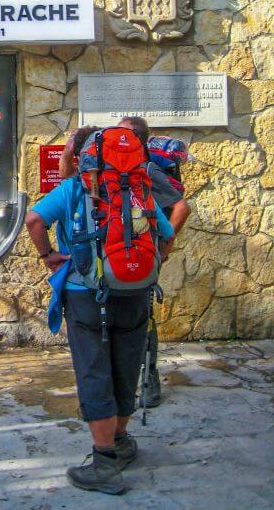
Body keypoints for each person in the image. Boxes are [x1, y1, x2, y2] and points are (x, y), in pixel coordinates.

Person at [26, 127, 175, 495]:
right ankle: (122, 442)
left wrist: (48, 256)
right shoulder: (139, 190)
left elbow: (33, 221)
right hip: (136, 292)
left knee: (95, 370)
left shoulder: (75, 189)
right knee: (126, 365)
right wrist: (144, 267)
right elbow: (167, 234)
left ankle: (104, 461)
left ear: (83, 158)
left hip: (85, 295)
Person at [117, 116, 191, 407]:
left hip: (145, 256)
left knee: (143, 316)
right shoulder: (112, 168)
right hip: (117, 255)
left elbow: (181, 208)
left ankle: (149, 379)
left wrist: (164, 247)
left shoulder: (147, 170)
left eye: (122, 135)